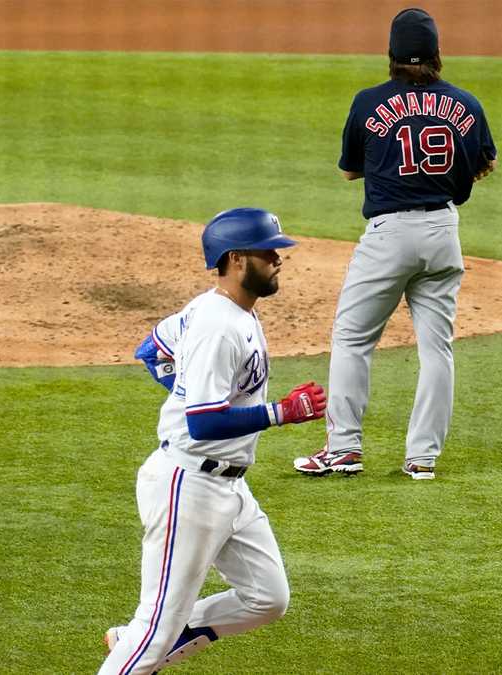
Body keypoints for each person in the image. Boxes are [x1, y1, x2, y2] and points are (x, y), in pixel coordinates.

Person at [99, 207, 327, 675]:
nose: (279, 259)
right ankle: (147, 641)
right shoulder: (217, 326)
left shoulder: (223, 310)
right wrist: (281, 412)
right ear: (237, 259)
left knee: (267, 598)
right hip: (189, 485)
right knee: (156, 625)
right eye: (269, 252)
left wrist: (187, 388)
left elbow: (152, 351)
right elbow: (202, 422)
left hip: (229, 487)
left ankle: (138, 640)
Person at [293, 7, 498, 481]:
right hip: (444, 234)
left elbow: (348, 169)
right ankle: (421, 459)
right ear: (437, 55)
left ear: (390, 55)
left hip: (389, 236)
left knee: (352, 338)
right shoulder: (466, 104)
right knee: (437, 348)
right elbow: (485, 164)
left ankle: (344, 449)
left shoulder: (368, 102)